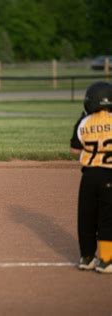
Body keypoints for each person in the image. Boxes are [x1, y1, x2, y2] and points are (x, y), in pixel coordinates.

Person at [70, 81, 112, 274]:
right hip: (109, 174)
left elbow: (74, 150)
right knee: (106, 217)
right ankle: (105, 259)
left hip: (88, 176)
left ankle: (86, 257)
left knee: (86, 217)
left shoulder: (84, 122)